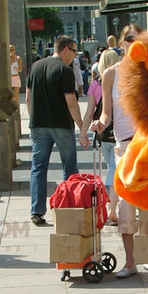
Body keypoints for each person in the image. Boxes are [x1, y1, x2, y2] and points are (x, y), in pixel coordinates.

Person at [90, 24, 143, 277]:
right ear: (121, 43)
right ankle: (131, 262)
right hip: (124, 144)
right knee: (125, 205)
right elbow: (107, 111)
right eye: (129, 39)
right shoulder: (111, 74)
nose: (133, 43)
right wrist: (100, 122)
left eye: (138, 38)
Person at [25, 35, 90, 226]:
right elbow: (71, 102)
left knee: (38, 167)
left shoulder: (35, 67)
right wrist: (81, 128)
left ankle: (37, 210)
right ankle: (68, 208)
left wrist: (33, 118)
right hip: (61, 124)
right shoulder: (65, 70)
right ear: (66, 50)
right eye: (74, 51)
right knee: (69, 167)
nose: (75, 56)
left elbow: (28, 98)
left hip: (38, 125)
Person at [81, 47, 121, 224]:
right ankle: (113, 207)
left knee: (112, 166)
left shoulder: (96, 84)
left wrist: (83, 133)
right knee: (116, 167)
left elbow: (90, 112)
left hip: (103, 132)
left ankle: (112, 207)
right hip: (120, 130)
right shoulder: (121, 81)